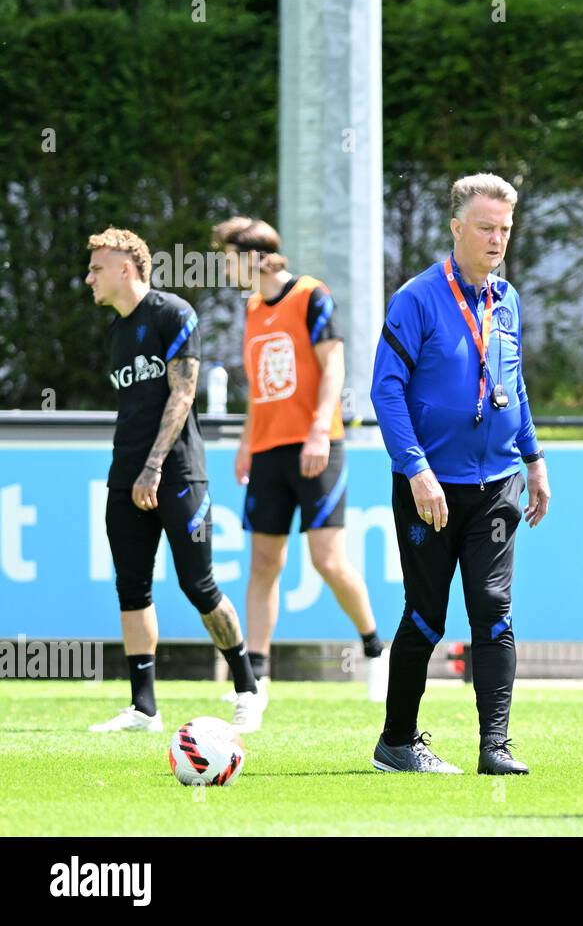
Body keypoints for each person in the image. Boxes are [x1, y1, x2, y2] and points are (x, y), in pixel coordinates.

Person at [370, 173, 551, 775]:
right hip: (430, 487)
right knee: (425, 615)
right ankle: (397, 743)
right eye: (485, 228)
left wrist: (534, 457)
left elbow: (514, 385)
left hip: (497, 484)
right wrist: (415, 469)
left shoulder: (510, 301)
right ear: (456, 229)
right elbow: (386, 392)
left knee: (494, 611)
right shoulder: (417, 299)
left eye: (504, 228)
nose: (498, 239)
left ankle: (494, 748)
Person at [86, 227, 265, 733]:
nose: (89, 277)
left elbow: (182, 395)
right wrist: (135, 472)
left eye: (97, 267)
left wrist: (154, 467)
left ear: (126, 267)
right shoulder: (117, 332)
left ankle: (248, 689)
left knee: (198, 584)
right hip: (126, 476)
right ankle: (144, 708)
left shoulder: (173, 313)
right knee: (132, 589)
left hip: (178, 473)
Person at [212, 217, 388, 706]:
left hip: (318, 446)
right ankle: (256, 679)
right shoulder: (251, 309)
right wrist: (248, 442)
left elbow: (334, 365)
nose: (225, 267)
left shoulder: (311, 295)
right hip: (268, 452)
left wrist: (316, 430)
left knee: (328, 560)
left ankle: (376, 651)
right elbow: (257, 385)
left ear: (252, 256)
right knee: (264, 563)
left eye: (228, 256)